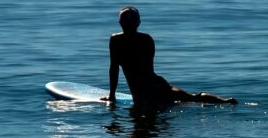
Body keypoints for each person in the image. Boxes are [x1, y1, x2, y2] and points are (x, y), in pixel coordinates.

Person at [101, 6, 237, 109]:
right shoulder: (146, 39)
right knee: (193, 98)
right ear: (139, 23)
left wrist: (112, 96)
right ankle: (225, 102)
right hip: (159, 84)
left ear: (120, 23)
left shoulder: (116, 40)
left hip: (144, 93)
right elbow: (147, 68)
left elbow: (114, 68)